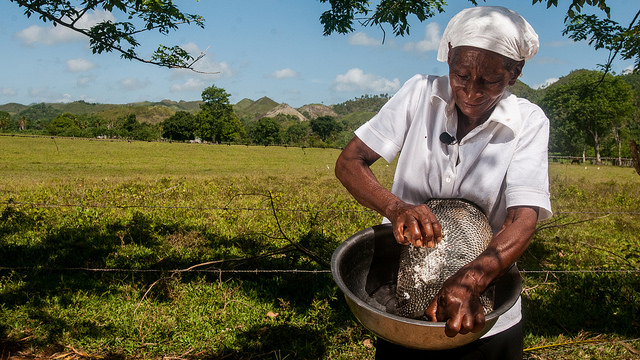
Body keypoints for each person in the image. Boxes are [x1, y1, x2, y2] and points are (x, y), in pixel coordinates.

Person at [334, 6, 553, 359]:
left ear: (515, 73)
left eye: (489, 81)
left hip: (485, 316)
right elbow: (349, 162)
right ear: (449, 57)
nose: (471, 91)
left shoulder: (528, 121)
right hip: (404, 313)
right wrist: (395, 206)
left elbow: (522, 219)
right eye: (461, 74)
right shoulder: (419, 94)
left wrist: (472, 281)